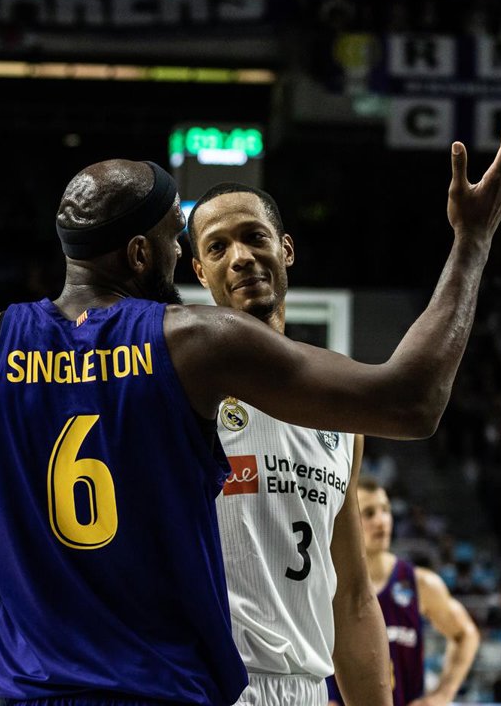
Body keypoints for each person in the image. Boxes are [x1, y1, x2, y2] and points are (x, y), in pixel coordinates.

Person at [0, 116, 501, 705]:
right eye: (179, 241)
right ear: (142, 256)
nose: (191, 257)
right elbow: (412, 397)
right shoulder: (191, 345)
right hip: (170, 688)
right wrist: (473, 241)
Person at [185, 184, 386, 705]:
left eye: (254, 237)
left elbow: (353, 599)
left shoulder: (339, 409)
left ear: (286, 249)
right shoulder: (179, 395)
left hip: (305, 689)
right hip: (207, 687)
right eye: (218, 247)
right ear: (200, 272)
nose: (240, 257)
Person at [326, 477, 480, 706]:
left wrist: (442, 695)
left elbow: (466, 634)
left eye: (385, 510)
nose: (381, 521)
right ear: (347, 520)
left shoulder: (419, 583)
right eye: (369, 513)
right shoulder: (327, 584)